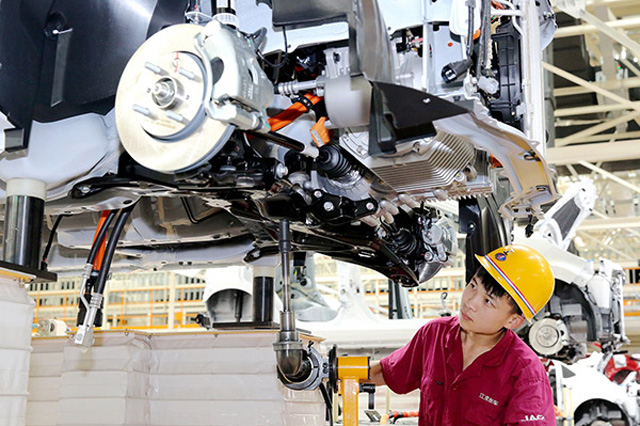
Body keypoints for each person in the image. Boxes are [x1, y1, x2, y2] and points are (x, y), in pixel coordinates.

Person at [369, 244, 556, 425]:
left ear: (513, 321)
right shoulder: (435, 334)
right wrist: (349, 372)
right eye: (473, 285)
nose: (470, 302)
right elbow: (385, 373)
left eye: (488, 301)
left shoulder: (525, 372)